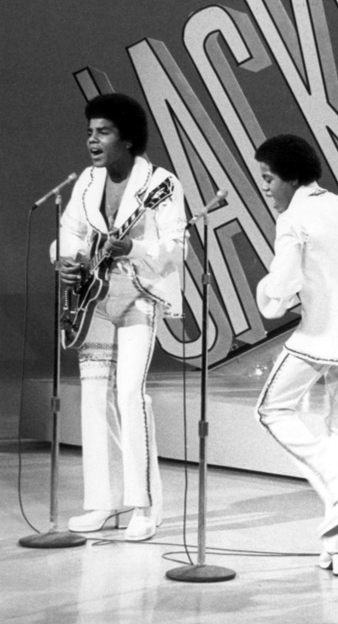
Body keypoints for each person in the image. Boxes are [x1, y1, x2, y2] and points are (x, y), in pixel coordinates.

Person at [57, 93, 187, 541]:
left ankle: (145, 506)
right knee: (95, 399)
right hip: (93, 300)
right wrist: (66, 260)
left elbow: (176, 247)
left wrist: (133, 247)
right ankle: (105, 502)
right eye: (90, 132)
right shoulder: (88, 181)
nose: (93, 140)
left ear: (128, 139)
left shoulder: (161, 182)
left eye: (104, 132)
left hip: (139, 297)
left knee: (130, 395)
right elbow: (71, 230)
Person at [253, 134, 338, 577]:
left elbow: (280, 287)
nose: (266, 188)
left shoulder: (294, 218)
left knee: (271, 409)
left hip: (318, 338)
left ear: (291, 178)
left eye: (269, 178)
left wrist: (268, 297)